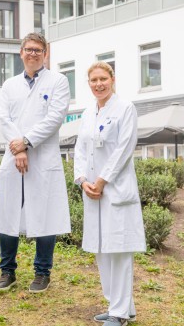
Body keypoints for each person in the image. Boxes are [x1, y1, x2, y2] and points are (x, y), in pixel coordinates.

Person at [0, 32, 71, 293]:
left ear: (45, 53)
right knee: (7, 212)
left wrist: (26, 141)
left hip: (43, 155)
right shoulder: (9, 84)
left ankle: (42, 272)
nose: (33, 53)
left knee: (45, 213)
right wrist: (19, 147)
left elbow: (55, 117)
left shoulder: (58, 81)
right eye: (29, 49)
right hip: (15, 156)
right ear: (20, 52)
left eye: (38, 49)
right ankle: (7, 271)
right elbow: (4, 119)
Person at [74, 61, 146, 326]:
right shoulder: (87, 113)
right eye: (93, 80)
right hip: (92, 191)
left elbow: (124, 148)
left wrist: (102, 180)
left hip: (115, 190)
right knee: (101, 249)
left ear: (112, 79)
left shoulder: (126, 108)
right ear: (89, 83)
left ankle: (119, 313)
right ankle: (120, 305)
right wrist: (82, 180)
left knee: (119, 250)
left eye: (103, 79)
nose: (98, 84)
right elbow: (80, 150)